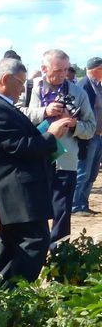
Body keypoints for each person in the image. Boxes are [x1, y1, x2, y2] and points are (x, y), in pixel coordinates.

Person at [0, 57, 70, 284]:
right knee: (35, 241)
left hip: (12, 189)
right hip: (15, 190)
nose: (22, 91)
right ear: (6, 79)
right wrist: (51, 136)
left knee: (10, 242)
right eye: (21, 84)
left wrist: (46, 130)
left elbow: (15, 139)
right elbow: (20, 148)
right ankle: (9, 294)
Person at [18, 49, 95, 245]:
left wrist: (72, 124)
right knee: (34, 212)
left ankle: (59, 258)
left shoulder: (78, 92)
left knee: (62, 213)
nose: (62, 75)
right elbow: (14, 115)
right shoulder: (28, 88)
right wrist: (44, 111)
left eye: (66, 70)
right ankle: (36, 254)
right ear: (43, 68)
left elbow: (91, 127)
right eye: (57, 70)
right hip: (35, 158)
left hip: (65, 161)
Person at [73, 56, 102, 215]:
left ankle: (83, 203)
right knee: (83, 170)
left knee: (92, 172)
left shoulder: (97, 85)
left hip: (97, 135)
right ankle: (76, 205)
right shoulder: (83, 86)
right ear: (97, 69)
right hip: (87, 136)